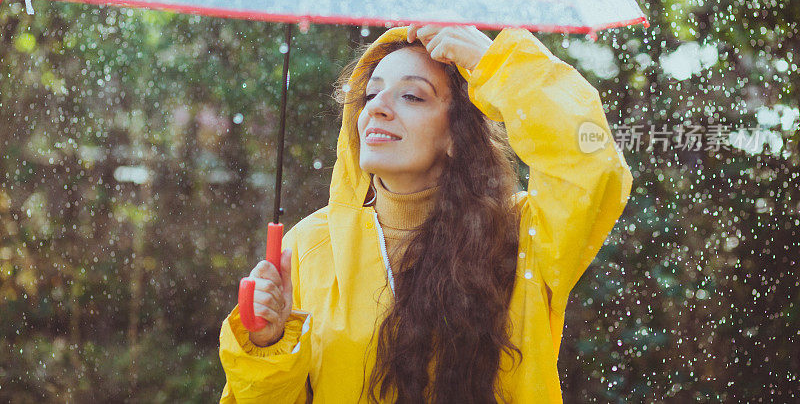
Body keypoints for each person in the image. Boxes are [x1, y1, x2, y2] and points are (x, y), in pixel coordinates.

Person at [218, 25, 633, 403]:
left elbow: (591, 161)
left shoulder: (522, 237)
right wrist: (270, 345)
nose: (377, 107)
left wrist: (496, 63)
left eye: (411, 95)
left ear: (456, 134)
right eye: (370, 94)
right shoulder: (309, 247)